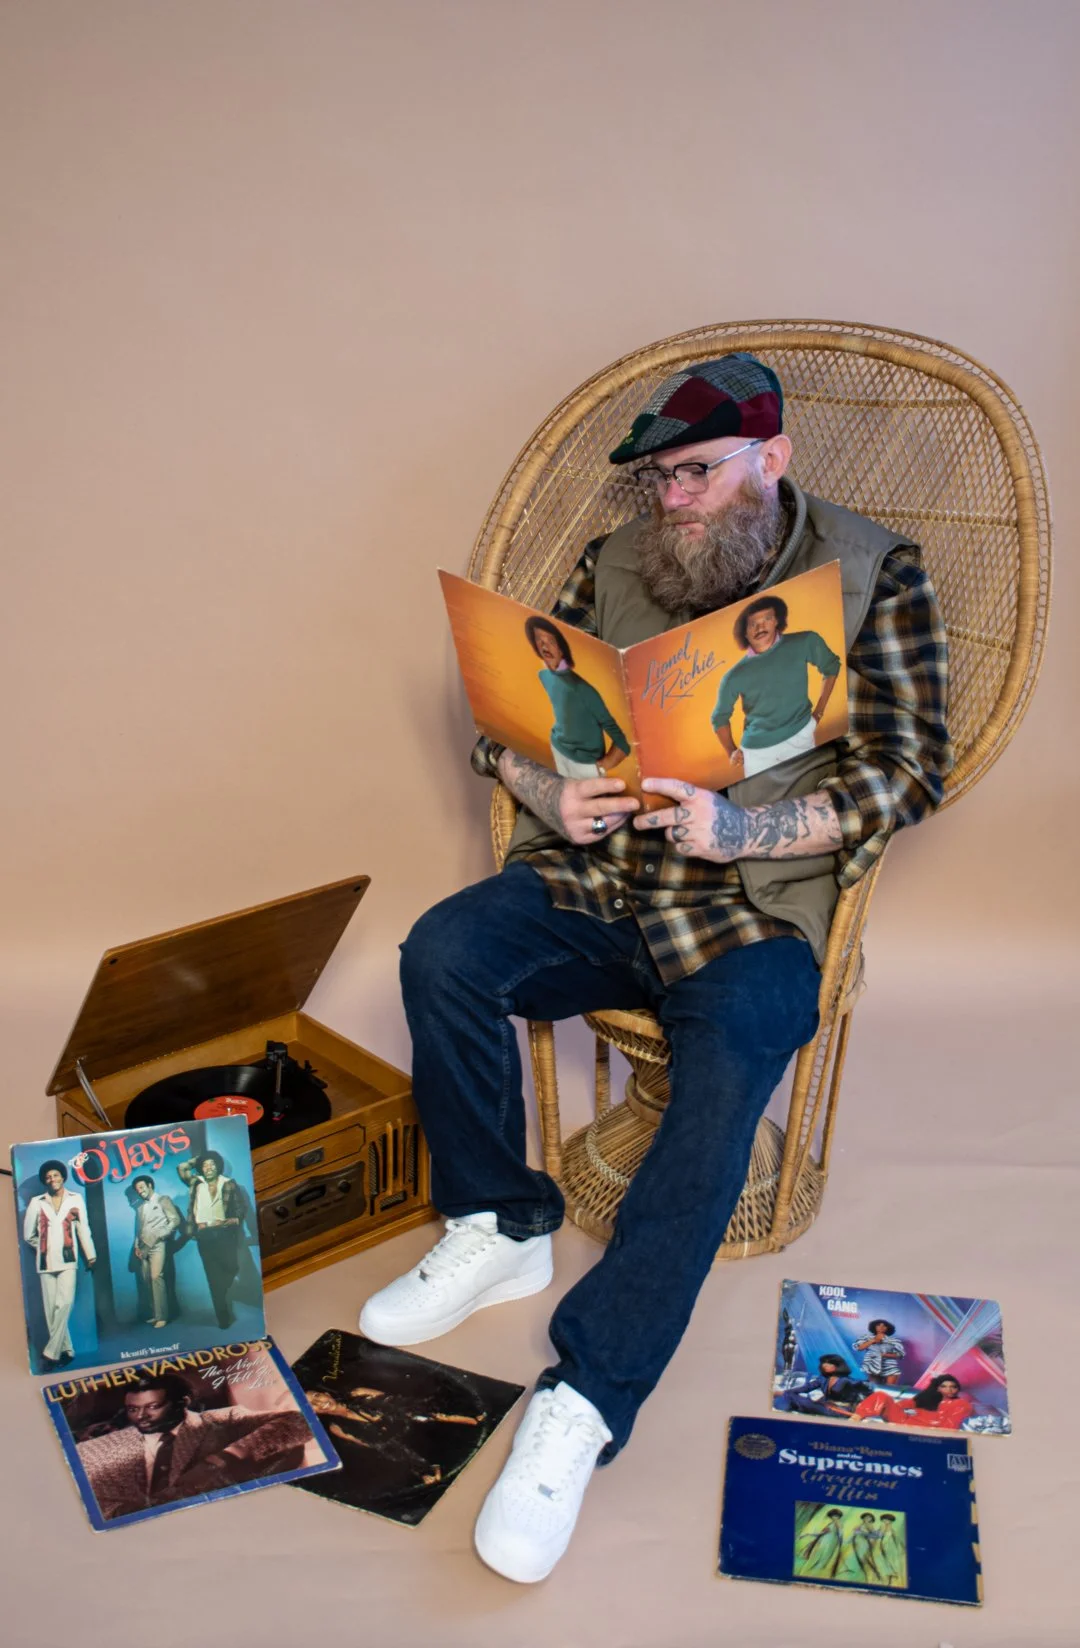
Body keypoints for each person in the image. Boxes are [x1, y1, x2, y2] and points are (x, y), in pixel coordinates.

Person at [360, 353, 953, 1584]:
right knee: (445, 952)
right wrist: (548, 787)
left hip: (753, 910)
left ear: (771, 457)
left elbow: (910, 770)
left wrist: (742, 827)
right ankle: (500, 1220)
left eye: (696, 472)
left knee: (727, 1068)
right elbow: (506, 725)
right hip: (603, 884)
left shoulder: (876, 568)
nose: (671, 500)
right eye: (659, 480)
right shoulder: (618, 563)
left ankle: (585, 1396)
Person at [75, 1372, 311, 1521]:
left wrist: (223, 1458)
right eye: (133, 1409)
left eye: (152, 1407)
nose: (141, 1417)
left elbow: (299, 1421)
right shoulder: (104, 1446)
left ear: (183, 1402)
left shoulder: (221, 1420)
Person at [711, 594, 840, 778]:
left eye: (767, 619)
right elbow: (719, 718)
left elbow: (831, 666)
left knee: (809, 791)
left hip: (801, 736)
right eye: (752, 624)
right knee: (764, 806)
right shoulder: (733, 675)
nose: (760, 627)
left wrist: (819, 712)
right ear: (745, 633)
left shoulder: (805, 641)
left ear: (777, 620)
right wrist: (732, 751)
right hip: (758, 754)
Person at [524, 615, 631, 779]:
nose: (544, 645)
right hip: (557, 751)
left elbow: (622, 743)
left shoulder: (585, 691)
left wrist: (599, 769)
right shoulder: (544, 676)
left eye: (551, 641)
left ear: (562, 650)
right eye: (540, 640)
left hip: (586, 765)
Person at [22, 1159, 96, 1367]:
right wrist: (46, 1246)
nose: (52, 1179)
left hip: (68, 1259)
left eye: (55, 1175)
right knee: (50, 1310)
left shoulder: (75, 1198)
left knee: (64, 1304)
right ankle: (67, 1350)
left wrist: (90, 1255)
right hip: (45, 1262)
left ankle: (51, 1352)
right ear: (45, 1181)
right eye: (48, 1177)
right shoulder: (37, 1202)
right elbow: (29, 1235)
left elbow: (83, 1228)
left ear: (62, 1177)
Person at [189, 1151, 251, 1331]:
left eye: (211, 1164)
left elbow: (241, 1210)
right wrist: (194, 1227)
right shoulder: (196, 1185)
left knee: (233, 1267)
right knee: (213, 1279)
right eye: (204, 1165)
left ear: (218, 1166)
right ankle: (222, 1317)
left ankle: (225, 1293)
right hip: (204, 1236)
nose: (208, 1168)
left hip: (225, 1234)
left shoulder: (229, 1184)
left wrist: (228, 1221)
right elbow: (182, 1168)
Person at [131, 1175, 182, 1329]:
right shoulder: (140, 1207)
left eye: (142, 1187)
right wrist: (136, 1246)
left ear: (150, 1185)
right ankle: (155, 1314)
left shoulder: (163, 1200)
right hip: (143, 1246)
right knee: (147, 1280)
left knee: (156, 1277)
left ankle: (162, 1317)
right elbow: (138, 1230)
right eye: (137, 1189)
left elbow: (175, 1220)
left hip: (158, 1245)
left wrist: (161, 1234)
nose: (140, 1191)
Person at [853, 1372, 974, 1430]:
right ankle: (854, 1420)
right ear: (938, 1388)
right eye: (944, 1386)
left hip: (923, 1428)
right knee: (881, 1396)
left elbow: (949, 1426)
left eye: (953, 1387)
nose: (949, 1390)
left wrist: (920, 1413)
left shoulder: (961, 1405)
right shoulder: (927, 1397)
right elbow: (905, 1404)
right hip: (904, 1419)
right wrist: (901, 1409)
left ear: (957, 1389)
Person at [780, 1353, 870, 1418]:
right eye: (823, 1363)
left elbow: (867, 1393)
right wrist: (785, 1392)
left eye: (829, 1364)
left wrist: (859, 1409)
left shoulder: (847, 1380)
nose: (824, 1365)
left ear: (838, 1366)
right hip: (825, 1407)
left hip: (841, 1411)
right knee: (789, 1395)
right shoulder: (822, 1379)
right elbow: (806, 1388)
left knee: (803, 1403)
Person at [852, 1317, 906, 1384]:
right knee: (874, 1388)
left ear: (888, 1328)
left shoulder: (894, 1340)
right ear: (874, 1327)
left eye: (884, 1325)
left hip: (890, 1368)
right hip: (872, 1367)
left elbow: (900, 1355)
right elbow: (858, 1348)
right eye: (878, 1325)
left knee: (890, 1390)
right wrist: (874, 1340)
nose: (881, 1327)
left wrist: (884, 1355)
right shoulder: (866, 1337)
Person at [795, 1507, 844, 1578]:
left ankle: (811, 1574)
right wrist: (807, 1534)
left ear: (839, 1516)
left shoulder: (838, 1523)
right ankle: (808, 1573)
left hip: (829, 1543)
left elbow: (840, 1533)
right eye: (832, 1516)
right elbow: (821, 1533)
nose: (834, 1517)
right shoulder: (831, 1524)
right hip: (824, 1542)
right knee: (817, 1557)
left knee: (822, 1559)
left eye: (836, 1516)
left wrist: (840, 1541)